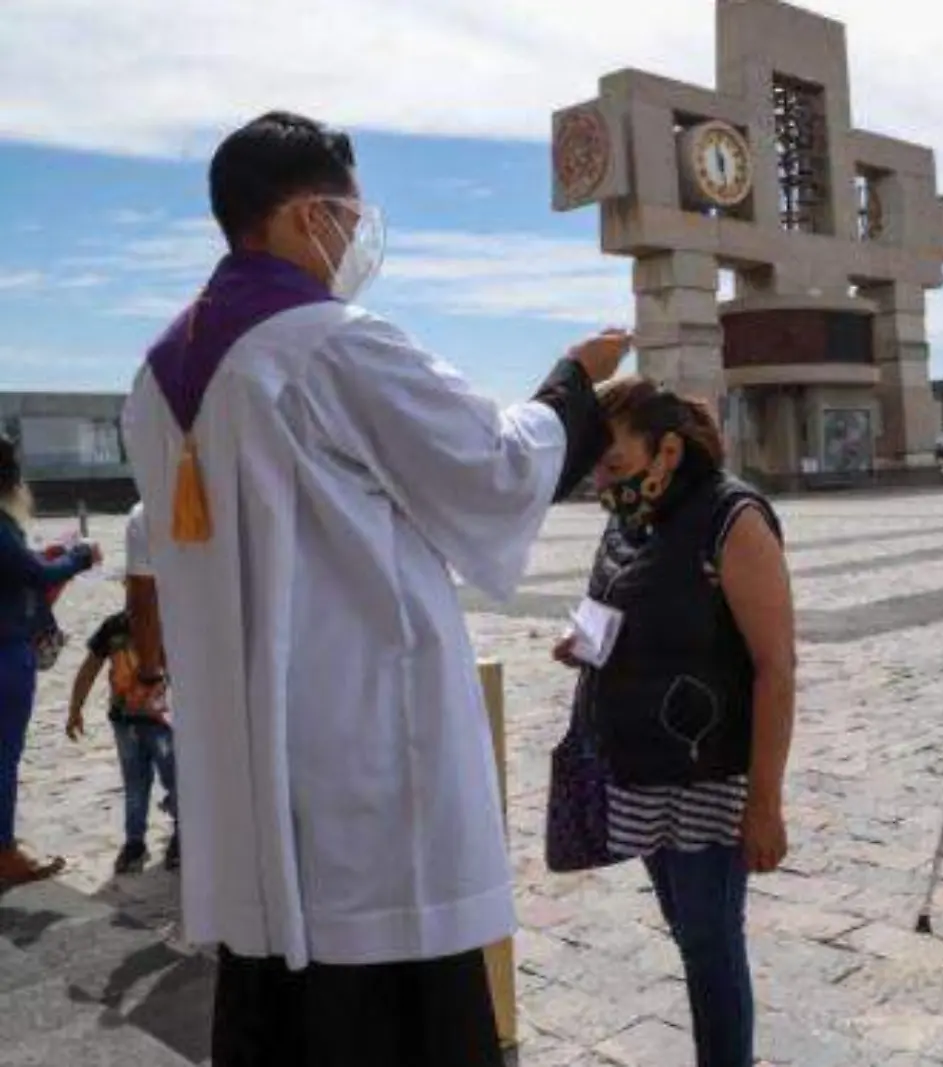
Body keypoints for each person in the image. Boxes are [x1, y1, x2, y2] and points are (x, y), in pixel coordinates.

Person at [120, 111, 629, 1066]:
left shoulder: (154, 379)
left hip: (242, 763)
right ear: (308, 213)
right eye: (346, 217)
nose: (353, 239)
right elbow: (490, 468)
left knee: (279, 1006)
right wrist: (575, 380)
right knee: (398, 1010)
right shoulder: (333, 344)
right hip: (366, 749)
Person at [553, 379, 794, 1067]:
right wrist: (584, 640)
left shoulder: (733, 517)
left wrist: (765, 805)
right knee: (691, 935)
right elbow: (612, 598)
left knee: (711, 942)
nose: (603, 481)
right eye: (596, 467)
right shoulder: (634, 511)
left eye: (615, 465)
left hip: (708, 774)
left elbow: (776, 667)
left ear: (666, 450)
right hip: (642, 766)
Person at [0, 437, 101, 886]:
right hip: (5, 651)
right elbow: (35, 574)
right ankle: (5, 855)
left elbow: (20, 566)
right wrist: (78, 557)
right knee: (5, 756)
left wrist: (49, 556)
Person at [66, 603, 178, 874]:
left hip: (162, 721)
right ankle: (135, 842)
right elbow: (90, 667)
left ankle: (180, 836)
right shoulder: (114, 627)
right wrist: (75, 708)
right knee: (137, 783)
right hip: (125, 721)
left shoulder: (171, 622)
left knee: (174, 779)